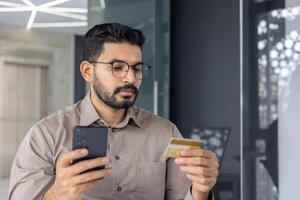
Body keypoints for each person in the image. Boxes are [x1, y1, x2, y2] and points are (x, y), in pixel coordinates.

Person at [9, 23, 219, 200]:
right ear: (87, 71)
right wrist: (56, 194)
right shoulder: (46, 135)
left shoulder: (165, 133)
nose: (130, 78)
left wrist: (200, 190)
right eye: (117, 67)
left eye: (136, 68)